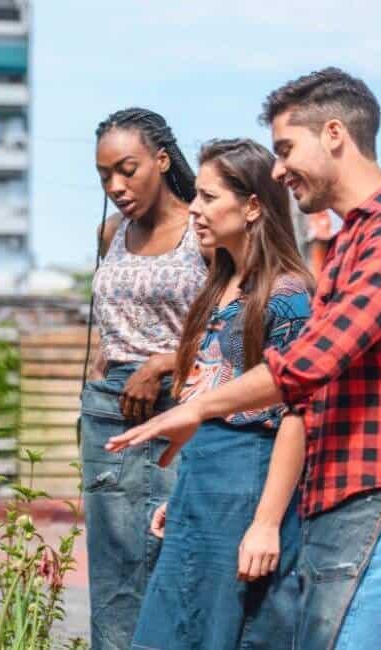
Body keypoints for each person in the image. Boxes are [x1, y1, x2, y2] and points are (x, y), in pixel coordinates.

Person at [108, 68, 381, 650]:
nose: (279, 170)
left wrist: (199, 409)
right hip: (349, 493)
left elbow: (310, 363)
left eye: (285, 149)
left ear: (334, 134)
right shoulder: (352, 241)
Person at [130, 139, 312, 649]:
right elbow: (208, 393)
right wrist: (184, 497)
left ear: (252, 206)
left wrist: (266, 524)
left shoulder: (289, 295)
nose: (194, 209)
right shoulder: (220, 286)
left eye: (208, 197)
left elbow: (298, 415)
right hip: (203, 485)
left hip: (249, 485)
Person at [83, 107, 208, 649]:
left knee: (174, 555)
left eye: (127, 169)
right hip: (108, 411)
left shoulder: (203, 232)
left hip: (179, 409)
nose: (116, 185)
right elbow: (108, 322)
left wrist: (162, 363)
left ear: (161, 159)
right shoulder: (110, 232)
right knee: (113, 572)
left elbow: (238, 329)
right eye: (105, 175)